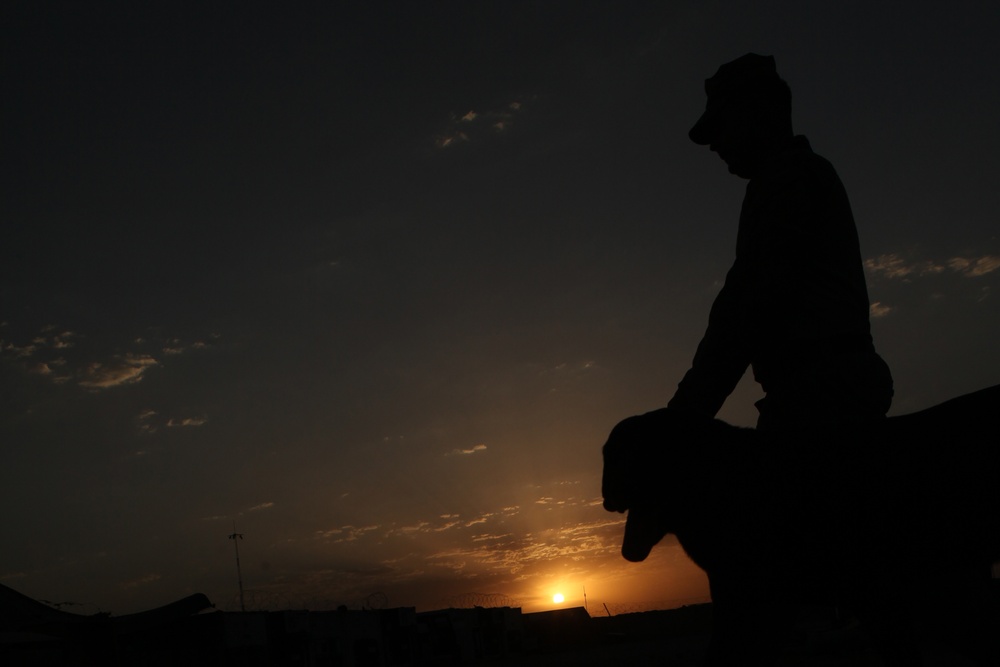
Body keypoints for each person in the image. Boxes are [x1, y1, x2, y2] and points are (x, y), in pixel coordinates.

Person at [667, 53, 893, 431]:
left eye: (721, 125)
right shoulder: (792, 177)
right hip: (822, 387)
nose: (714, 144)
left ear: (757, 112)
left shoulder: (788, 179)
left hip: (820, 397)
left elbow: (748, 303)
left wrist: (683, 415)